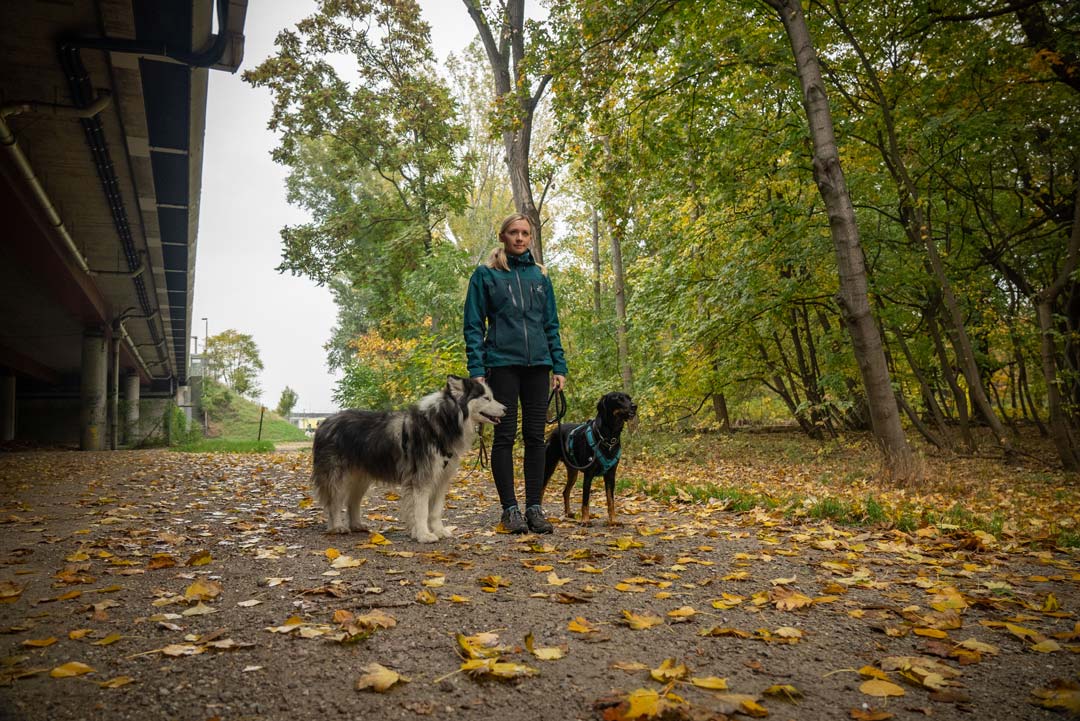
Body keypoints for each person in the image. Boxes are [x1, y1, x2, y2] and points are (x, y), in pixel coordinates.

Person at [463, 213, 567, 534]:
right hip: (501, 366)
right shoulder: (486, 276)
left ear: (531, 238)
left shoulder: (540, 277)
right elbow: (473, 325)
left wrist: (559, 365)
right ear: (503, 236)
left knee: (536, 438)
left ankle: (535, 508)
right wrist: (477, 370)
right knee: (505, 438)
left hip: (538, 366)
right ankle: (510, 510)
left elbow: (550, 324)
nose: (520, 238)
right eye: (513, 233)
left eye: (525, 233)